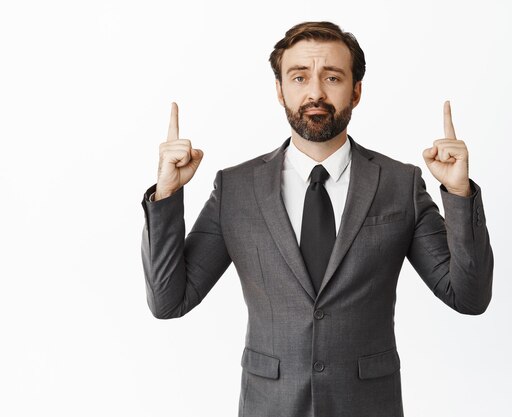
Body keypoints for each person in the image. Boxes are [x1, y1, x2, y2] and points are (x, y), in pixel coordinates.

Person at [140, 21, 493, 417]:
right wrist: (167, 193)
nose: (315, 92)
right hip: (269, 405)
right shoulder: (236, 189)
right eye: (299, 77)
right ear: (279, 90)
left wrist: (459, 194)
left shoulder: (400, 184)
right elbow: (169, 301)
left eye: (332, 77)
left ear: (356, 91)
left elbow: (468, 296)